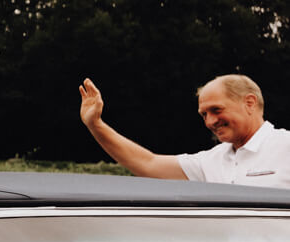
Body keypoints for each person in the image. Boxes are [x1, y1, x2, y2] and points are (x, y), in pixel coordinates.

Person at [79, 75, 290, 187]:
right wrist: (96, 125)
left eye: (216, 110)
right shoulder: (211, 160)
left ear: (250, 103)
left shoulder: (285, 146)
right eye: (204, 114)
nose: (210, 122)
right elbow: (148, 164)